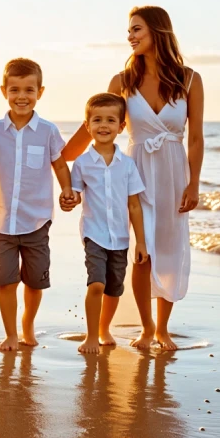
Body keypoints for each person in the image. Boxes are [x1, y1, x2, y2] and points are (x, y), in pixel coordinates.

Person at [62, 6, 204, 351]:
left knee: (168, 250)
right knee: (143, 251)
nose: (130, 36)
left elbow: (197, 136)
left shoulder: (189, 79)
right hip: (134, 171)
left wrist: (194, 183)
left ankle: (163, 329)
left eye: (136, 29)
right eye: (129, 30)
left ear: (157, 30)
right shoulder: (121, 82)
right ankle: (146, 327)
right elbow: (95, 122)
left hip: (173, 173)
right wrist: (60, 155)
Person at [0, 58, 74, 352]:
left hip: (37, 220)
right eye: (15, 89)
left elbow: (59, 164)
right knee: (6, 281)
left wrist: (68, 189)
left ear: (40, 92)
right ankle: (10, 334)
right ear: (3, 91)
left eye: (29, 90)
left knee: (34, 282)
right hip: (3, 220)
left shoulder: (47, 131)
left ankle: (28, 325)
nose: (22, 96)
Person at [66, 93, 148, 355]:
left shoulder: (127, 165)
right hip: (94, 233)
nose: (104, 125)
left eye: (111, 120)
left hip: (120, 238)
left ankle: (104, 328)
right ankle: (91, 336)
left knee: (114, 288)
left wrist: (141, 242)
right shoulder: (82, 163)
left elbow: (134, 205)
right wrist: (69, 199)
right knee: (97, 284)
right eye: (97, 120)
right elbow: (76, 194)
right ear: (87, 125)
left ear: (121, 127)